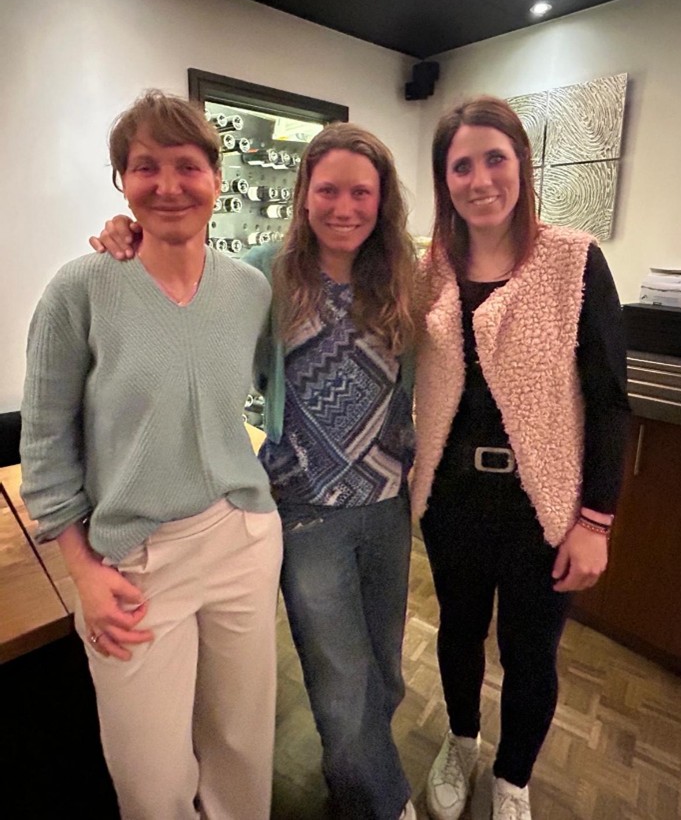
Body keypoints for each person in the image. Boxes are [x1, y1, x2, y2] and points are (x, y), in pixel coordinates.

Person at [90, 122, 418, 820]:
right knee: (339, 682)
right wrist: (129, 234)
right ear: (303, 195)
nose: (343, 207)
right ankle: (376, 804)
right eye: (327, 190)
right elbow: (186, 274)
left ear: (382, 199)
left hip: (388, 506)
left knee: (385, 675)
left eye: (361, 193)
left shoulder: (402, 277)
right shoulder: (264, 273)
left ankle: (365, 781)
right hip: (303, 509)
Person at [20, 90, 283, 820]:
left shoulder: (249, 288)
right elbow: (44, 443)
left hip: (240, 538)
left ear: (217, 178)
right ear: (122, 182)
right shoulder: (80, 289)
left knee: (242, 749)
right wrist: (83, 572)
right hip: (132, 564)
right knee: (151, 779)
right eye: (145, 167)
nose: (168, 185)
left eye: (187, 166)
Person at [411, 96, 630, 820]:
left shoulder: (573, 259)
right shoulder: (429, 267)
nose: (480, 180)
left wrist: (595, 521)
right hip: (452, 500)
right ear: (444, 179)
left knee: (531, 653)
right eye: (461, 166)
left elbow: (609, 401)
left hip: (545, 504)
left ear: (521, 164)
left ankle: (513, 778)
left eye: (494, 158)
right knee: (459, 633)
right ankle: (461, 740)